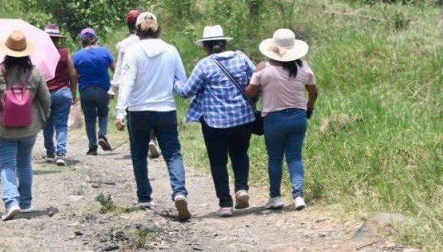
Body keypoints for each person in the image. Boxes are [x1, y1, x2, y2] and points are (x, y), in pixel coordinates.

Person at [115, 12, 191, 221]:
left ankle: (144, 197)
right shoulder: (171, 50)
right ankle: (179, 192)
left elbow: (127, 81)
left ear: (137, 30)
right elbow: (182, 81)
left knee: (139, 154)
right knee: (173, 153)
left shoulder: (133, 51)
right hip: (166, 109)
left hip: (138, 111)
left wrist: (120, 111)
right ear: (158, 29)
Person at [175, 25, 257, 217]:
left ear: (206, 47)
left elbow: (187, 91)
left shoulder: (205, 65)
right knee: (240, 154)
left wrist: (176, 83)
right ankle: (242, 189)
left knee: (218, 161)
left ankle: (225, 203)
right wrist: (254, 101)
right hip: (243, 118)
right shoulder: (241, 57)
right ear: (225, 43)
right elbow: (257, 80)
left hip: (214, 122)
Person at [0, 30, 51, 221]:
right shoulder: (35, 72)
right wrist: (43, 119)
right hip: (29, 127)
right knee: (24, 162)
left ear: (7, 51)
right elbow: (46, 99)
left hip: (2, 128)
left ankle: (11, 203)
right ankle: (25, 203)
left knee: (7, 164)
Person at [244, 28, 318, 211]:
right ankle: (299, 196)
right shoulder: (303, 67)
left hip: (273, 119)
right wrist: (310, 106)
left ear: (273, 49)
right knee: (295, 157)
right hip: (298, 117)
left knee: (275, 158)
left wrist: (256, 72)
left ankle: (276, 197)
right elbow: (314, 91)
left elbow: (249, 93)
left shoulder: (264, 70)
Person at [112, 9, 160, 160]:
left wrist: (113, 88)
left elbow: (119, 68)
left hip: (132, 88)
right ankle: (152, 139)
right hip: (152, 84)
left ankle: (137, 145)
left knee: (135, 116)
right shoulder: (158, 44)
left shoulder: (126, 45)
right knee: (152, 110)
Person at [72, 27, 115, 155]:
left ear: (82, 40)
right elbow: (115, 69)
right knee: (103, 113)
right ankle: (102, 134)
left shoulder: (77, 55)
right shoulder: (105, 52)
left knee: (90, 119)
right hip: (103, 89)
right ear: (95, 38)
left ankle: (92, 147)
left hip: (85, 91)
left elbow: (74, 75)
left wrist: (73, 94)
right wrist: (114, 88)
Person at [42, 23, 78, 166]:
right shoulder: (64, 52)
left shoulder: (39, 53)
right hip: (63, 92)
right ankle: (61, 154)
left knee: (47, 124)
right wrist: (73, 92)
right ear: (58, 38)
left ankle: (50, 153)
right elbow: (73, 74)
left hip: (45, 93)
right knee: (61, 124)